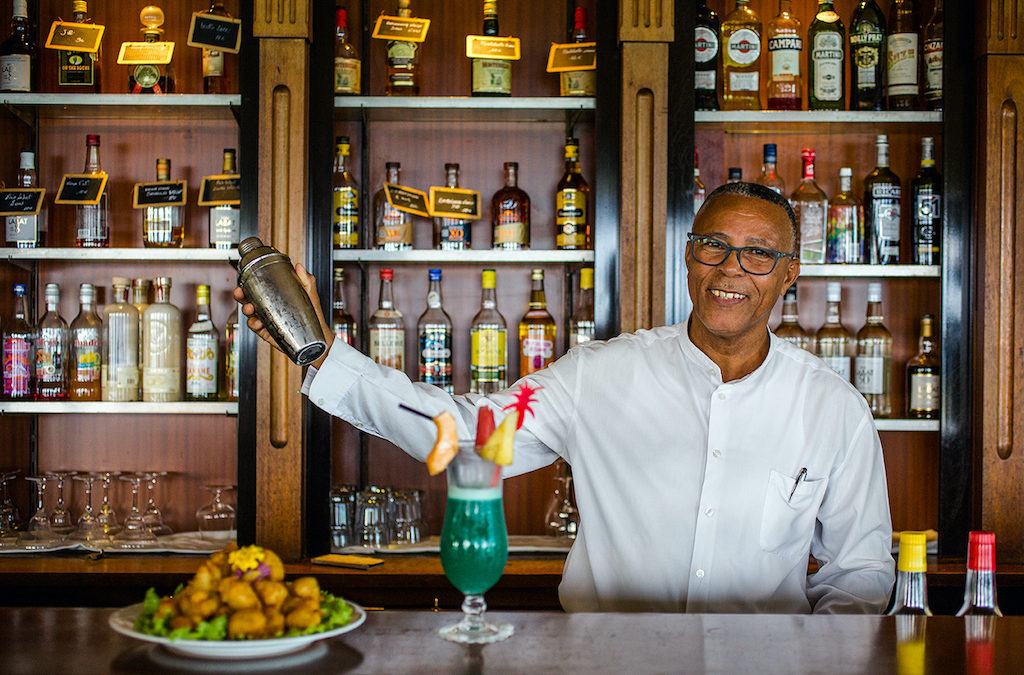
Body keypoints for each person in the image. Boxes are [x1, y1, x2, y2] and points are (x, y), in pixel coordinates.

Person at [234, 182, 895, 614]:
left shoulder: (833, 409)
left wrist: (817, 654)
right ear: (687, 256)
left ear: (789, 275)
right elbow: (465, 432)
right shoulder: (601, 375)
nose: (729, 269)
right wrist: (323, 355)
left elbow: (860, 569)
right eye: (712, 245)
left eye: (756, 254)